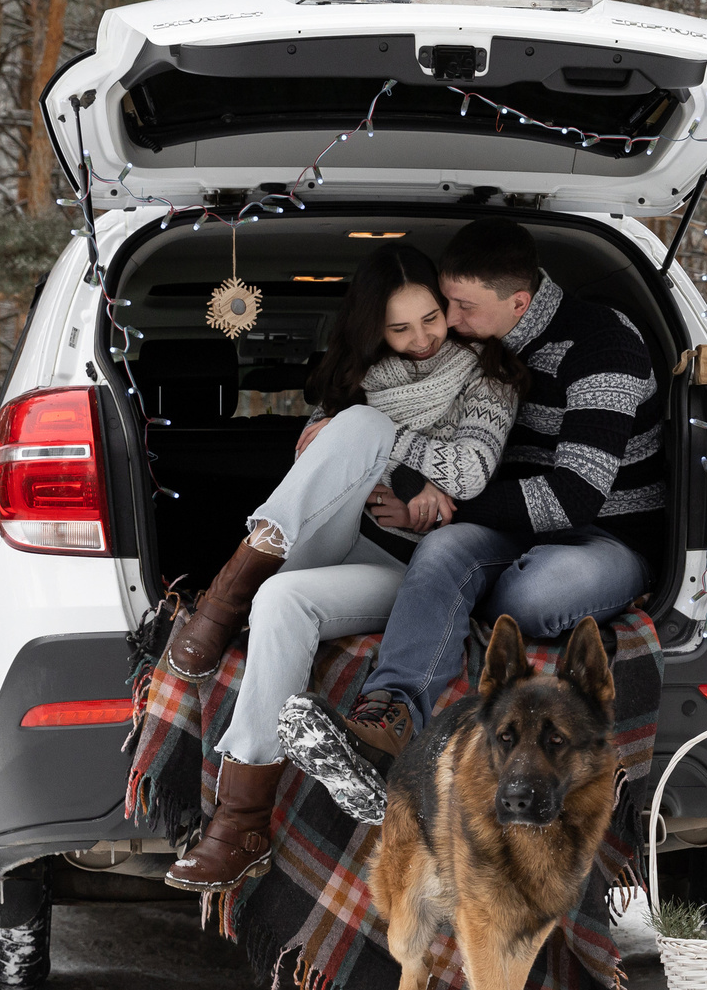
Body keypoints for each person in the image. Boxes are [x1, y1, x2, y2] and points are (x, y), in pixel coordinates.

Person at [161, 246, 521, 891]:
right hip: (335, 534)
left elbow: (470, 471)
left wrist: (386, 452)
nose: (421, 339)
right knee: (353, 424)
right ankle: (230, 590)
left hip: (407, 571)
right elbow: (367, 454)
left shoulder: (486, 379)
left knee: (282, 600)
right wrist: (355, 437)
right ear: (374, 329)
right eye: (400, 328)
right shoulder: (362, 386)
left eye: (432, 319)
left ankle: (240, 821)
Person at [291, 218, 666, 785]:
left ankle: (473, 604)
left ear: (519, 302)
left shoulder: (602, 345)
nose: (448, 321)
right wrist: (336, 428)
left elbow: (576, 496)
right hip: (509, 524)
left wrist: (443, 503)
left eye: (461, 306)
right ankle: (386, 719)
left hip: (602, 533)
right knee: (441, 553)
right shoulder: (474, 346)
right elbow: (380, 389)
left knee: (533, 595)